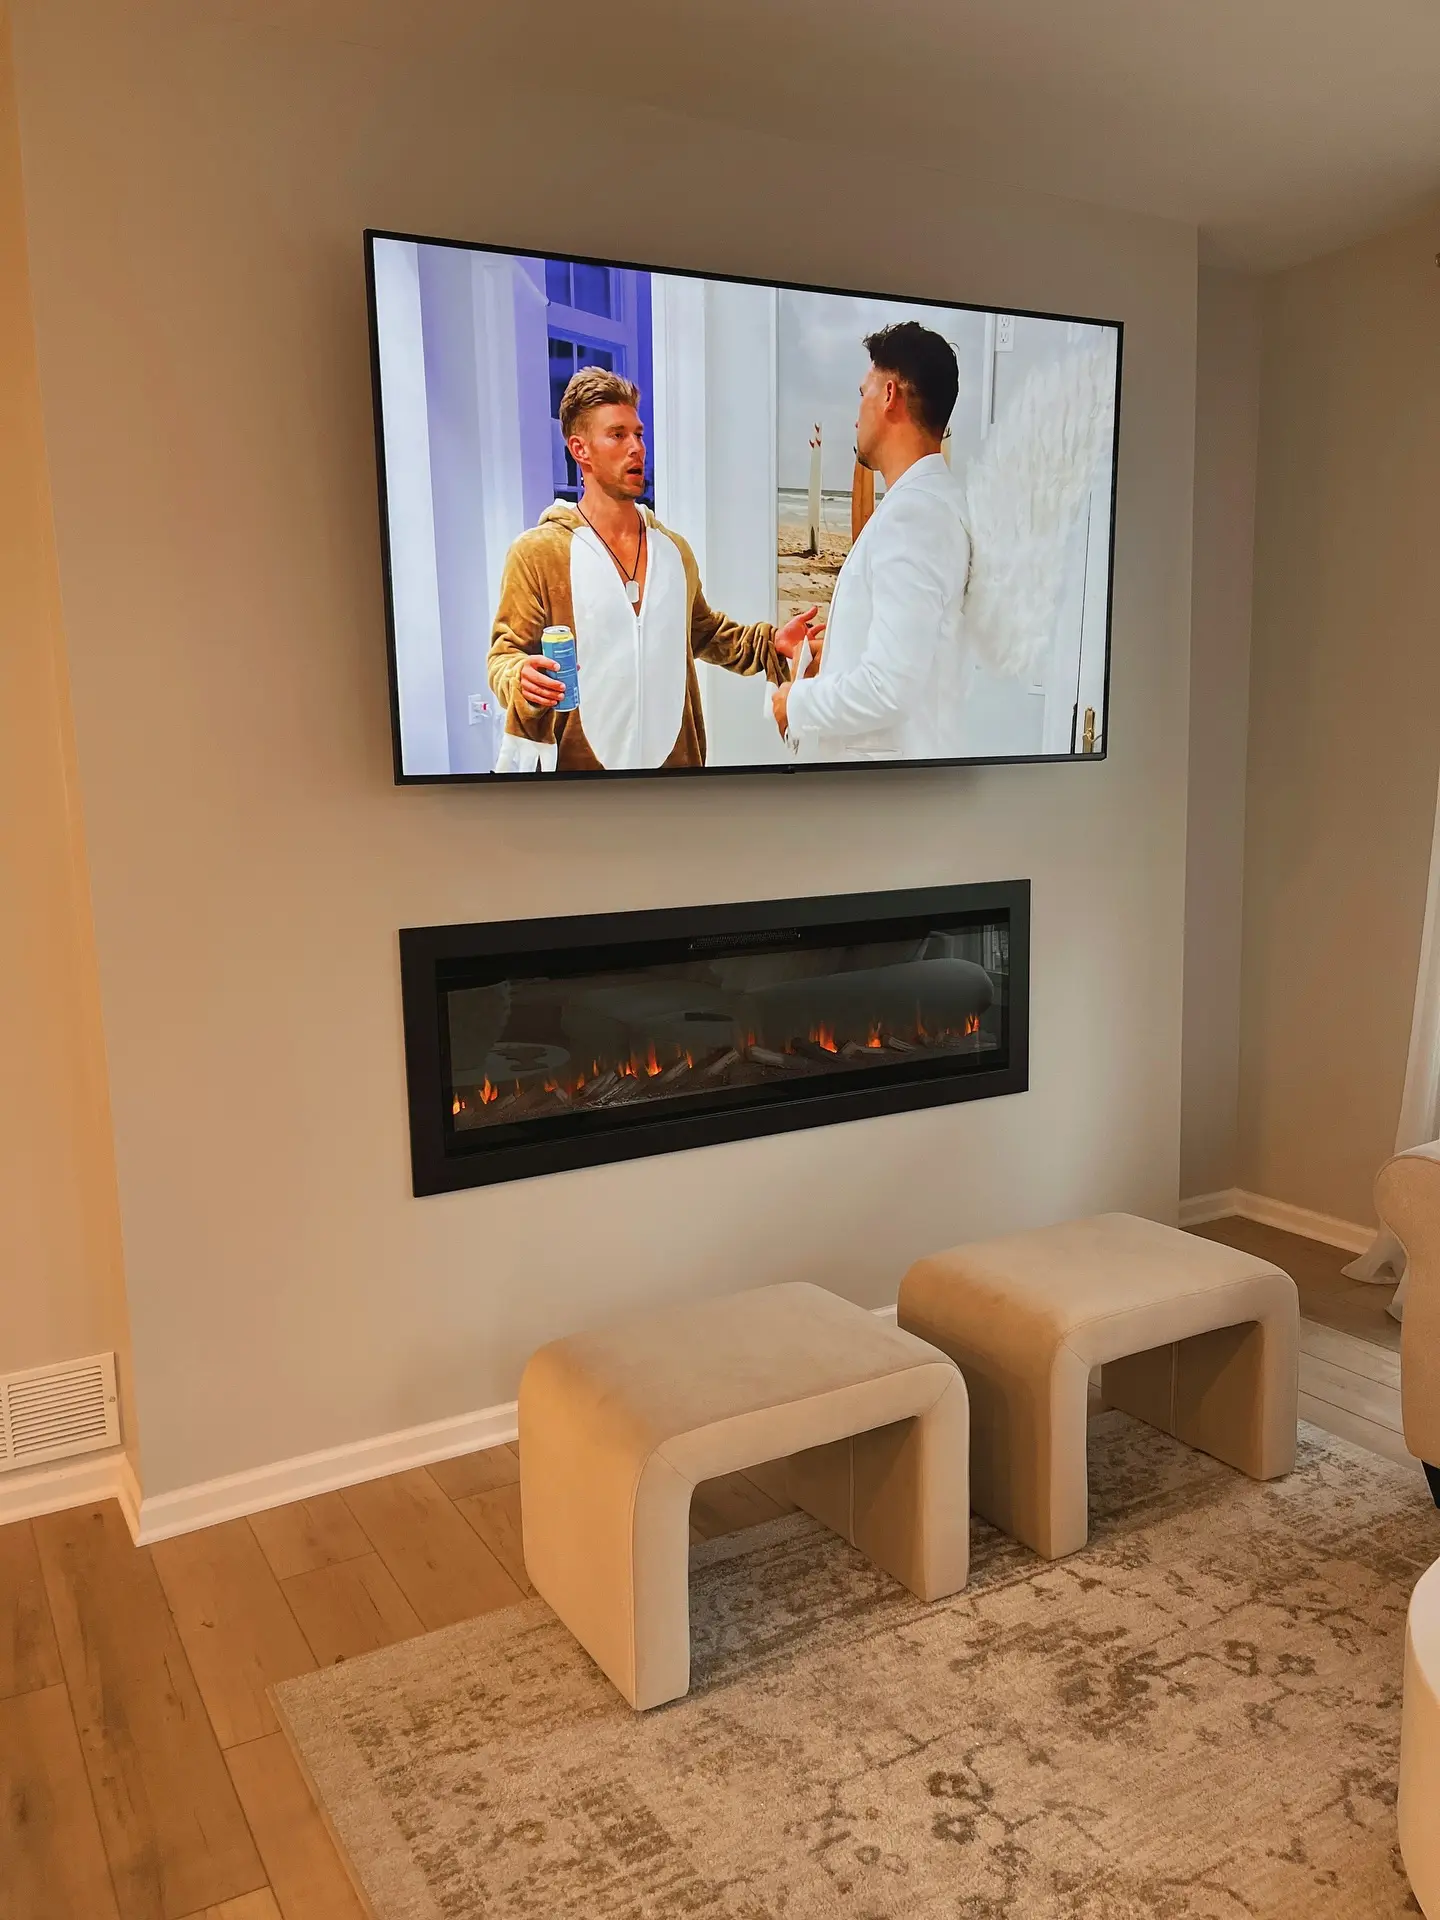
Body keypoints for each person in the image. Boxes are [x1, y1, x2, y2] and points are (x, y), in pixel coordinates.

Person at [489, 368, 823, 772]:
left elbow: (705, 632)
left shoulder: (673, 551)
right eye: (617, 435)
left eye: (639, 434)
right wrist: (520, 676)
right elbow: (505, 656)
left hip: (674, 776)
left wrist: (772, 644)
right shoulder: (538, 553)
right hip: (575, 781)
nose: (636, 448)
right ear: (581, 450)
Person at [773, 322, 970, 761]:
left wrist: (795, 703)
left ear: (889, 396)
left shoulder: (916, 514)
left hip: (890, 804)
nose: (856, 413)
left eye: (863, 392)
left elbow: (889, 687)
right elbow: (914, 655)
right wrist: (835, 648)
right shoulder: (924, 503)